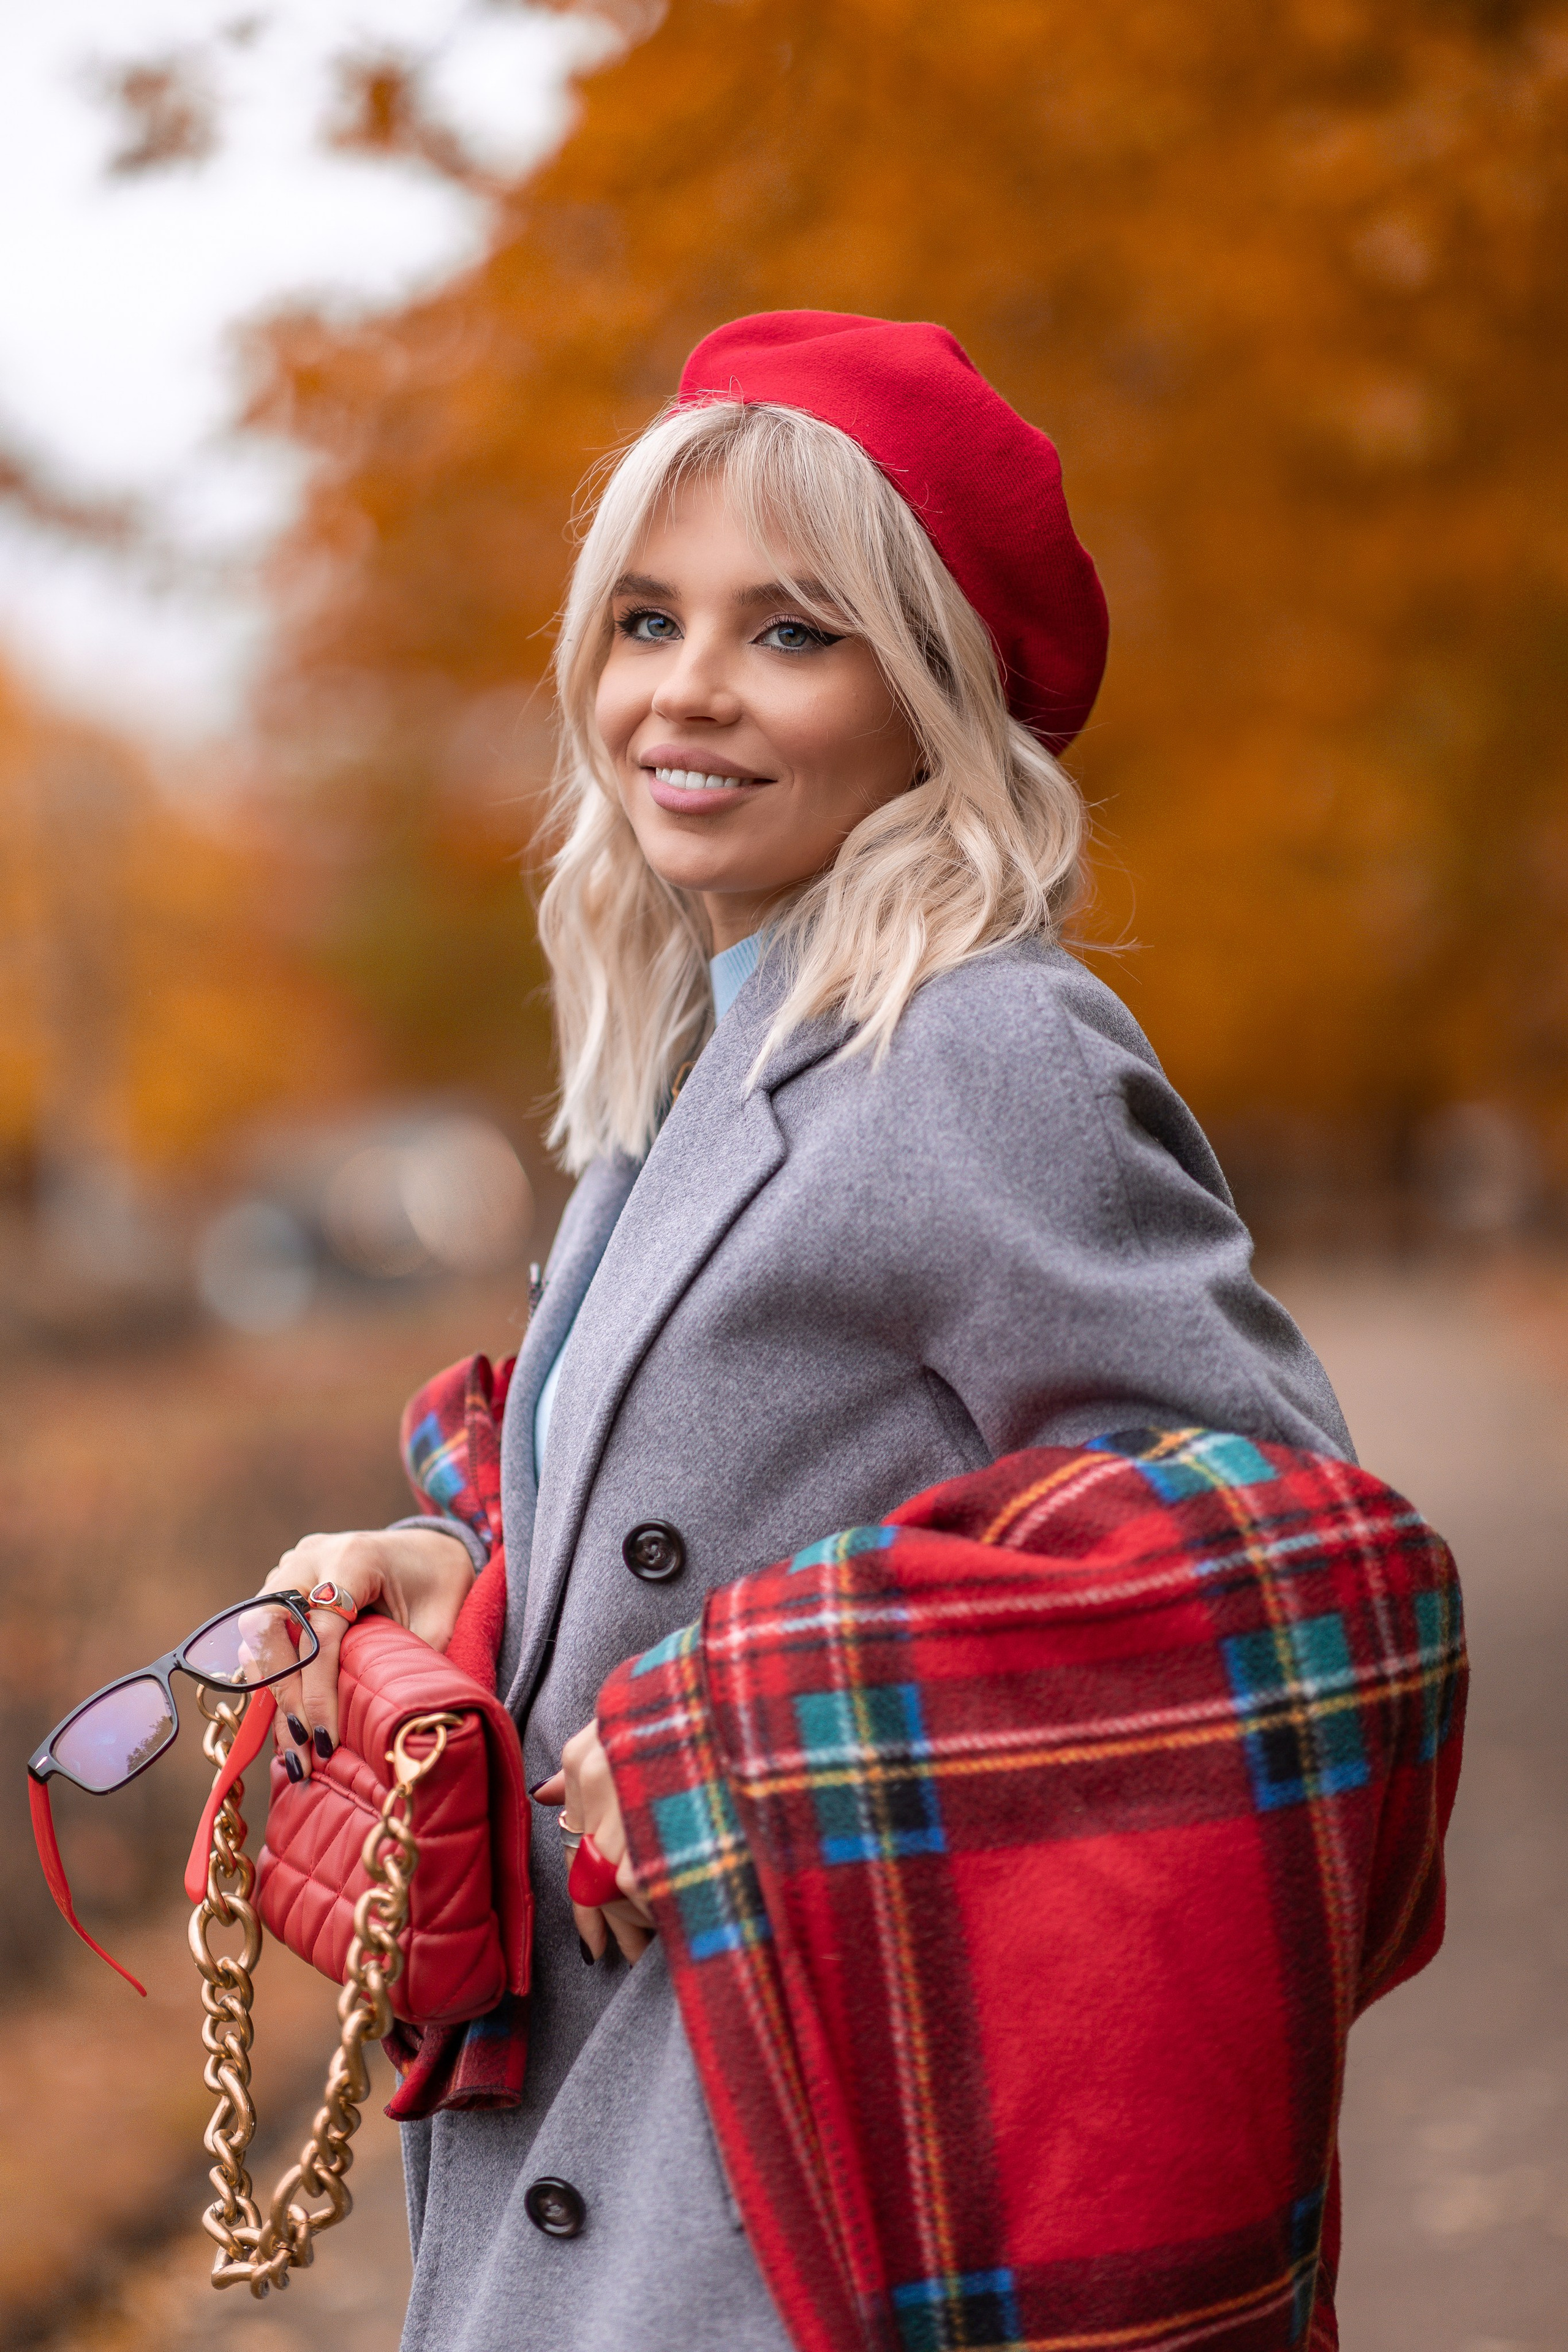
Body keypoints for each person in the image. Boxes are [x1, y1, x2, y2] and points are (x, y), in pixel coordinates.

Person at [260, 312, 1359, 2350]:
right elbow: (781, 1488)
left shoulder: (980, 1050)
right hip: (638, 2112)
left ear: (933, 694)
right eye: (648, 620)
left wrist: (735, 1722)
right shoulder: (720, 1041)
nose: (686, 693)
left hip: (806, 2174)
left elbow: (1280, 1571)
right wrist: (489, 1579)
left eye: (793, 633)